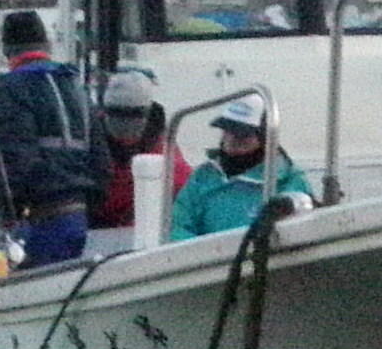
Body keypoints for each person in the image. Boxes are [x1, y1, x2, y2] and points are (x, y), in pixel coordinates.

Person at [0, 11, 98, 268]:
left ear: (7, 51)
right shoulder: (75, 86)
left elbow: (13, 163)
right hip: (80, 220)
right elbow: (101, 162)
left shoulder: (9, 90)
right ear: (46, 44)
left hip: (42, 224)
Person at [171, 90, 314, 239]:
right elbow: (178, 225)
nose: (232, 138)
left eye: (243, 134)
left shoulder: (288, 181)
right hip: (202, 259)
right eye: (227, 130)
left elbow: (300, 233)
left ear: (264, 138)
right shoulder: (203, 177)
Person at [91, 67, 184, 232]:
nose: (125, 120)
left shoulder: (166, 153)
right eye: (116, 112)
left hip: (145, 233)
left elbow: (183, 197)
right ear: (104, 112)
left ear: (147, 113)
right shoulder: (89, 144)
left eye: (134, 113)